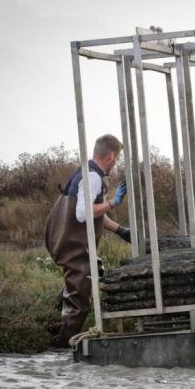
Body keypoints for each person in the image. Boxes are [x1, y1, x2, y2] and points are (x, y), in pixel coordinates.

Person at [45, 134, 132, 347]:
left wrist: (121, 231)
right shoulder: (93, 177)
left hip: (62, 237)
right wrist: (113, 202)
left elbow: (94, 213)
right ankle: (61, 347)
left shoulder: (86, 172)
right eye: (117, 159)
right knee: (80, 300)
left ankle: (52, 318)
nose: (116, 163)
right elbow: (84, 213)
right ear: (111, 156)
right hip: (71, 243)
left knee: (97, 269)